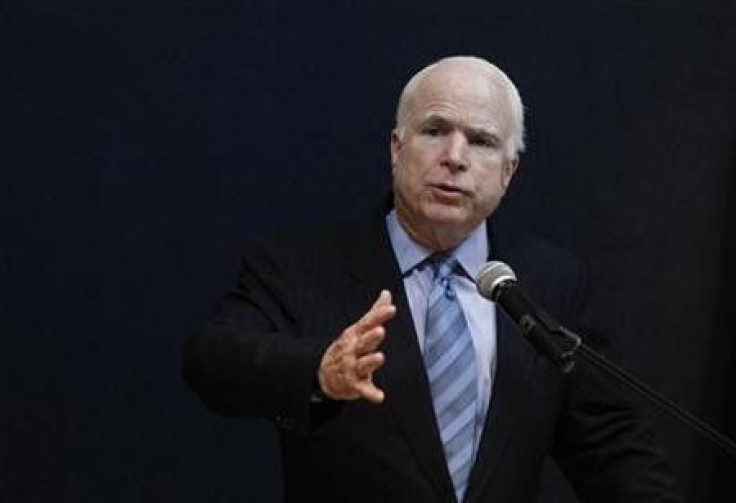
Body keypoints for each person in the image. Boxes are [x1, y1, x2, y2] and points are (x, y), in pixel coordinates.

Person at [182, 56, 681, 502]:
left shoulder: (550, 281)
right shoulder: (297, 263)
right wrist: (318, 369)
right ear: (397, 149)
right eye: (435, 130)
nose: (455, 157)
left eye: (482, 141)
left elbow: (608, 444)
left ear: (509, 171)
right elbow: (214, 361)